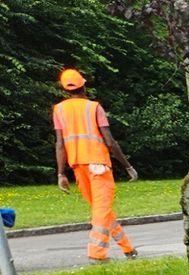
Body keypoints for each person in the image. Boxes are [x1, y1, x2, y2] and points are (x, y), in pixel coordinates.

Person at [50, 68, 139, 263]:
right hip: (98, 164)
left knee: (102, 209)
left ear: (65, 89)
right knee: (101, 209)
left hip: (77, 165)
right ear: (84, 84)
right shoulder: (94, 107)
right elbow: (110, 141)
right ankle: (97, 253)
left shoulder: (59, 110)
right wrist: (127, 166)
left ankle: (128, 249)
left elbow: (60, 144)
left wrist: (60, 174)